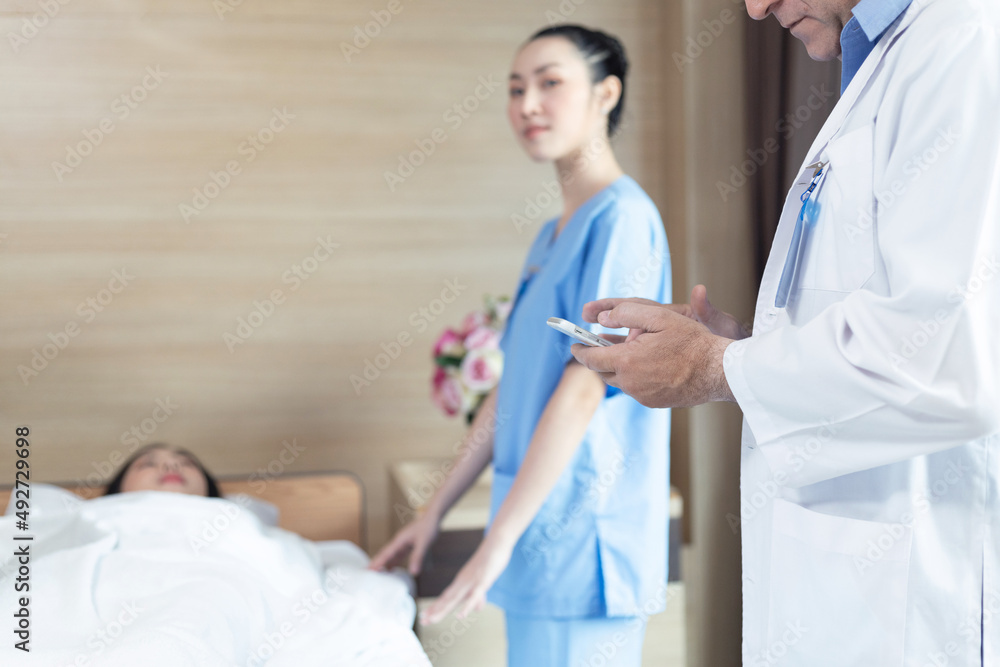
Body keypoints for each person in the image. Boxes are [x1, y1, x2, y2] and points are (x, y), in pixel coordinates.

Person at [572, 0, 1000, 663]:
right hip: (851, 583)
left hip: (911, 594)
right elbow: (880, 313)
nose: (756, 6)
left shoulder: (964, 44)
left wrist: (718, 366)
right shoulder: (889, 61)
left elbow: (946, 362)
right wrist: (740, 345)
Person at [371, 24, 672, 666]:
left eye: (550, 83)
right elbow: (512, 391)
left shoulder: (622, 219)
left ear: (606, 93)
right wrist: (435, 512)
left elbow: (583, 388)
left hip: (585, 536)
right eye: (515, 88)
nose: (527, 104)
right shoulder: (548, 237)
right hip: (536, 532)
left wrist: (498, 538)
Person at [104, 442, 222, 498]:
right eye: (148, 464)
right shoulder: (89, 518)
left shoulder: (236, 519)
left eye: (186, 463)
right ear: (118, 488)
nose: (172, 465)